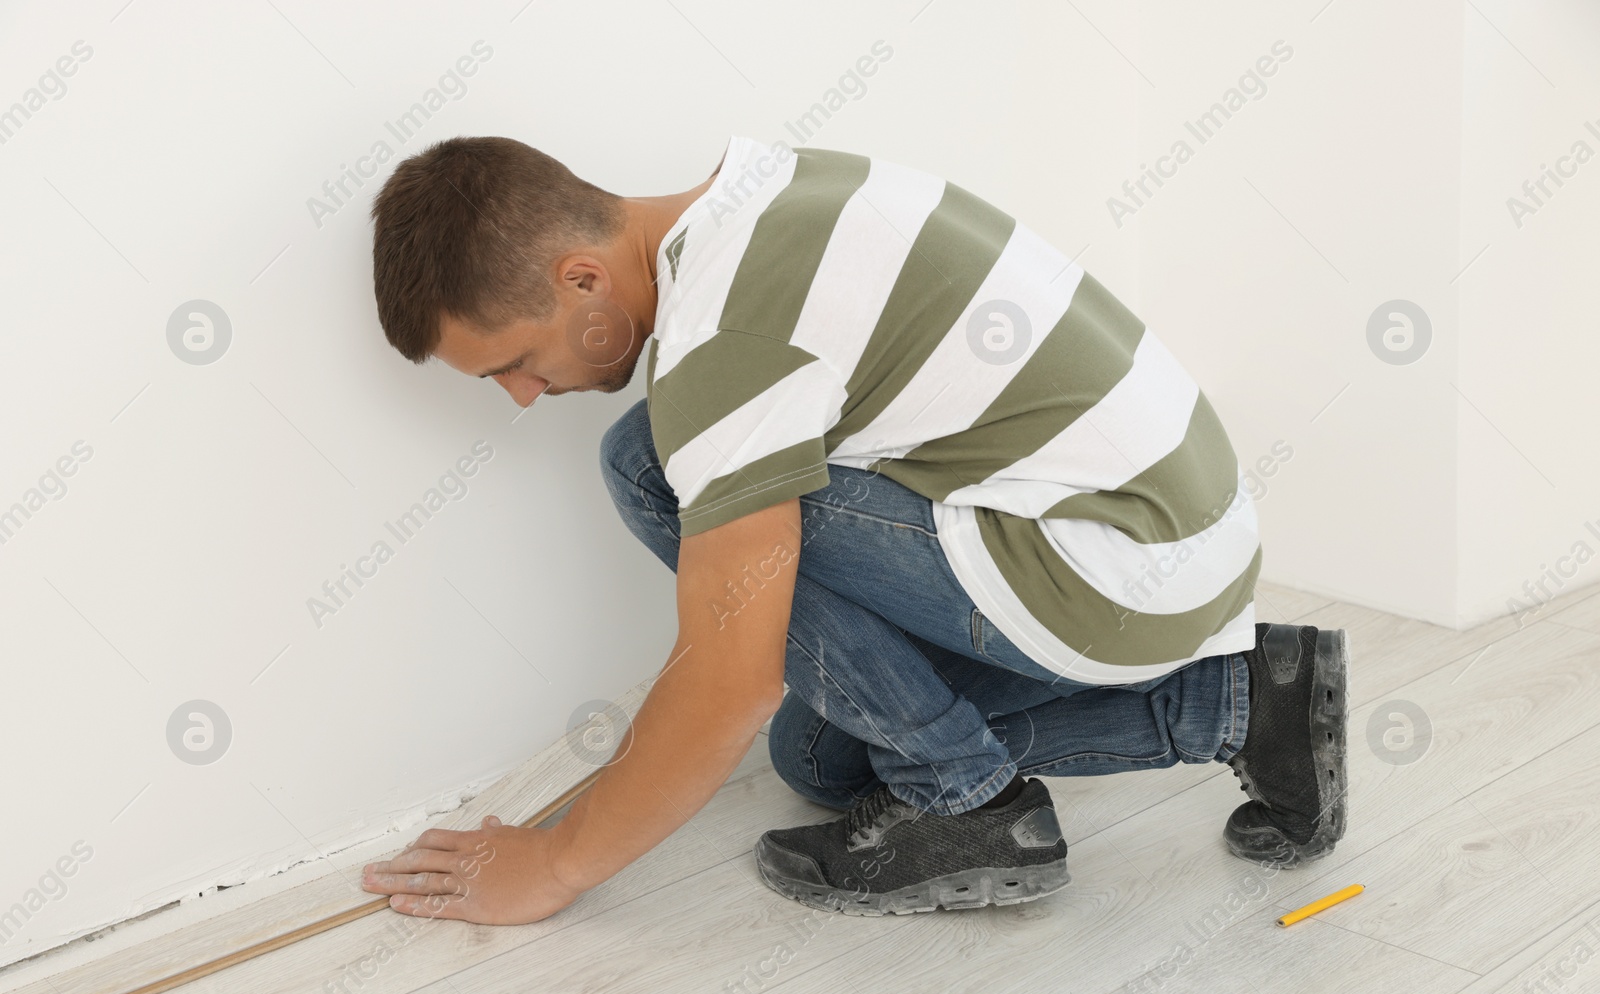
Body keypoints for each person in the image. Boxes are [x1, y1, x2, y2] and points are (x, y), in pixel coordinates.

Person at [358, 133, 1350, 923]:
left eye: (514, 362)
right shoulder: (767, 191)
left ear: (580, 280)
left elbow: (730, 676)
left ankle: (971, 810)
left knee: (647, 462)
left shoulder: (721, 350)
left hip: (1113, 561)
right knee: (819, 763)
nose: (524, 397)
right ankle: (1246, 700)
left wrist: (556, 861)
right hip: (1178, 535)